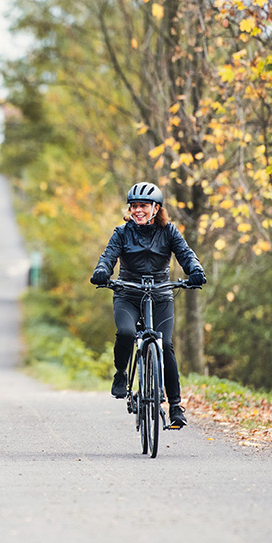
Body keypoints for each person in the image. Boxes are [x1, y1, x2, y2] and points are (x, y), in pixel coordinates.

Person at [90, 181, 206, 428]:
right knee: (126, 333)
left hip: (161, 295)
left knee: (165, 345)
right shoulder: (121, 233)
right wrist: (101, 271)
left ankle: (175, 406)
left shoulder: (169, 232)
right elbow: (108, 257)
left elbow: (185, 254)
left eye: (143, 206)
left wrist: (195, 270)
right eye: (134, 206)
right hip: (128, 293)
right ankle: (121, 374)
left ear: (156, 208)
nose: (137, 210)